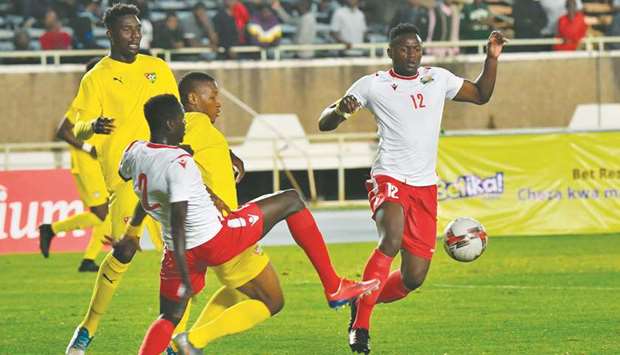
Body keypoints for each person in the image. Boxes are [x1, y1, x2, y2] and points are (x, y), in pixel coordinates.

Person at [118, 94, 380, 354]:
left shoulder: (135, 152)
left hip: (176, 254)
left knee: (168, 317)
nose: (185, 124)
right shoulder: (179, 164)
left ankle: (179, 343)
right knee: (291, 200)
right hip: (215, 238)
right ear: (169, 124)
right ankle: (333, 286)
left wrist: (132, 233)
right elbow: (179, 215)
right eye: (181, 119)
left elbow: (138, 184)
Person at [318, 23, 506, 353]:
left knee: (413, 278)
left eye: (416, 48)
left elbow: (480, 95)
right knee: (389, 239)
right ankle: (360, 328)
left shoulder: (438, 79)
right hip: (389, 177)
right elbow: (324, 123)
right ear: (390, 52)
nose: (411, 54)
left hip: (424, 186)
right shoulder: (373, 84)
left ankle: (362, 300)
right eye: (404, 49)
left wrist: (491, 58)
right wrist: (339, 110)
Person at [65, 3, 178, 354]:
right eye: (127, 29)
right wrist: (93, 127)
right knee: (125, 250)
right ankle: (88, 328)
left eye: (138, 28)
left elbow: (178, 117)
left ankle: (176, 337)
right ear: (110, 33)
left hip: (165, 169)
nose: (135, 35)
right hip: (126, 176)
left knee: (182, 253)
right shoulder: (96, 76)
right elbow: (72, 128)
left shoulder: (157, 67)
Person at [38, 57, 110, 273]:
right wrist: (88, 148)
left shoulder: (101, 98)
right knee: (101, 213)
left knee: (105, 214)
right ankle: (52, 230)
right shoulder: (83, 102)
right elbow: (62, 131)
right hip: (86, 163)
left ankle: (88, 259)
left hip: (98, 163)